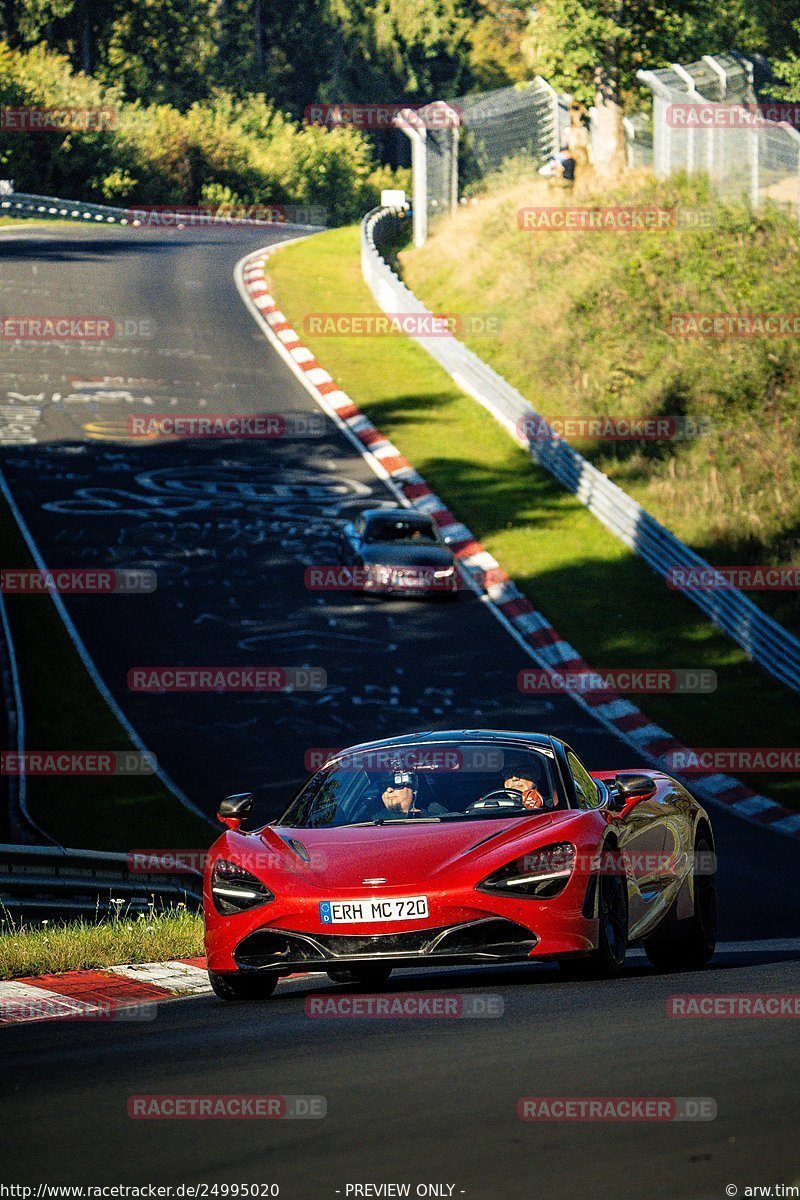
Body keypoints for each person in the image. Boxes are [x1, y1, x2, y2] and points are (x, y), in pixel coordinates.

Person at [371, 771, 448, 819]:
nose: (388, 790)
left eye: (396, 784)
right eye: (382, 786)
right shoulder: (371, 823)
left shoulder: (440, 815)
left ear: (414, 786)